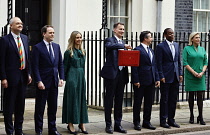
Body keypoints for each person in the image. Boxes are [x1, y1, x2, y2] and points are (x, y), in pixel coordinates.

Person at [0, 17, 32, 135]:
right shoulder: (4, 40)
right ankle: (9, 131)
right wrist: (3, 77)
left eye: (21, 24)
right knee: (9, 106)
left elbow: (27, 58)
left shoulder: (24, 38)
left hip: (23, 77)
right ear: (11, 26)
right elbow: (1, 60)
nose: (20, 25)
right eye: (17, 23)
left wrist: (28, 73)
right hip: (10, 78)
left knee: (20, 106)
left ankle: (19, 130)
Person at [32, 25, 64, 135]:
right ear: (44, 34)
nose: (52, 35)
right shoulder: (37, 47)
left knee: (53, 107)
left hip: (54, 81)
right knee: (40, 108)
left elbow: (60, 64)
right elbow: (35, 66)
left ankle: (52, 129)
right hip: (43, 83)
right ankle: (39, 129)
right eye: (50, 33)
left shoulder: (56, 46)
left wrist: (62, 78)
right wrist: (38, 81)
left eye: (53, 33)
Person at [100, 22, 132, 134]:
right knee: (109, 100)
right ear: (114, 30)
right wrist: (123, 46)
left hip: (122, 74)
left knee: (119, 101)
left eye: (123, 29)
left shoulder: (123, 42)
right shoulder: (110, 40)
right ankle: (108, 125)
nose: (122, 31)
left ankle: (118, 124)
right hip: (111, 74)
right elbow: (109, 47)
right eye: (120, 29)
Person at [131, 31, 160, 131]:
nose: (152, 39)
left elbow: (154, 65)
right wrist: (136, 80)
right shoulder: (137, 50)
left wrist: (157, 78)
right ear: (145, 38)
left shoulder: (151, 50)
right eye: (150, 37)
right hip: (140, 81)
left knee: (149, 102)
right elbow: (134, 66)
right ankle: (136, 122)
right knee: (138, 102)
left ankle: (146, 122)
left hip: (151, 80)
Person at [62, 31, 89, 134]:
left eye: (80, 37)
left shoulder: (83, 51)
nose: (79, 39)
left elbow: (83, 66)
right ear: (73, 39)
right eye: (77, 37)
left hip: (81, 77)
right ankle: (70, 123)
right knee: (72, 100)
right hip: (72, 78)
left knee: (81, 100)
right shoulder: (68, 52)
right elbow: (65, 67)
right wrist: (63, 79)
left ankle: (82, 123)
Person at [155, 28, 183, 128]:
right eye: (170, 33)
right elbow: (158, 63)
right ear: (165, 35)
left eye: (173, 33)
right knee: (165, 99)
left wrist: (180, 73)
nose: (172, 35)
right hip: (166, 77)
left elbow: (178, 61)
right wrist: (161, 76)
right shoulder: (160, 46)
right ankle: (163, 120)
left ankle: (171, 119)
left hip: (175, 76)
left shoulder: (176, 45)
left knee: (173, 99)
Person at [183, 32, 208, 125]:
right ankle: (191, 115)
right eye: (196, 37)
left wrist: (202, 72)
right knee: (191, 96)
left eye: (199, 37)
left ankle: (200, 116)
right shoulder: (187, 49)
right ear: (192, 39)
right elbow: (185, 62)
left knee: (200, 97)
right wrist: (193, 72)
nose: (198, 39)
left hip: (200, 76)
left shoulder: (202, 49)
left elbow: (206, 62)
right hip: (190, 76)